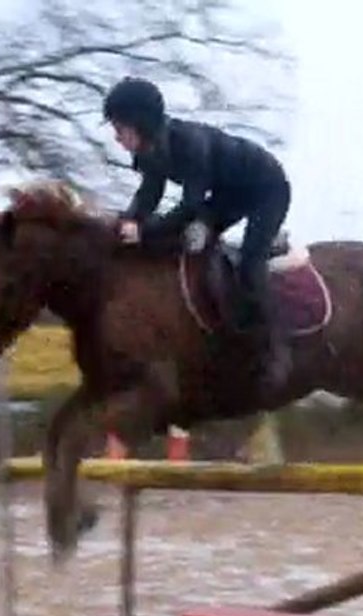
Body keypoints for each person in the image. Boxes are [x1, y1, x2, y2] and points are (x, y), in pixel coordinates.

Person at [102, 76, 292, 392]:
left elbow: (190, 206)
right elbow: (149, 193)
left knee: (248, 264)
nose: (117, 138)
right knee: (191, 244)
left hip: (267, 189)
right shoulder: (151, 150)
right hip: (229, 193)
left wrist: (144, 233)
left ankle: (271, 348)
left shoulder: (190, 144)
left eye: (120, 129)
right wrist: (128, 219)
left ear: (141, 124)